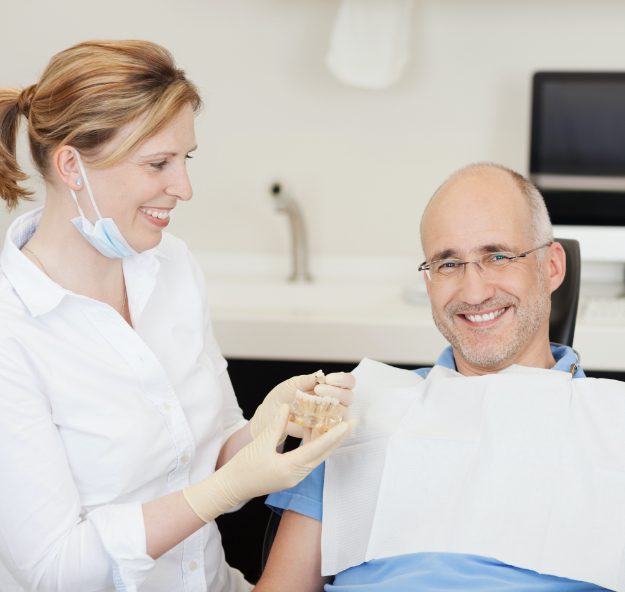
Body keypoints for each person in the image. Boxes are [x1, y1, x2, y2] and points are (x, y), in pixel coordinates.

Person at [0, 40, 355, 592]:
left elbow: (206, 452)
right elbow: (54, 570)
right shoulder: (12, 330)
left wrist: (268, 423)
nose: (183, 188)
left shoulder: (171, 268)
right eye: (158, 164)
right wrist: (227, 489)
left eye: (184, 159)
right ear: (72, 165)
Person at [257, 163, 625, 592]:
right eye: (448, 264)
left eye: (498, 256)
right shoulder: (359, 413)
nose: (473, 292)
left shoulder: (611, 425)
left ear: (552, 267)